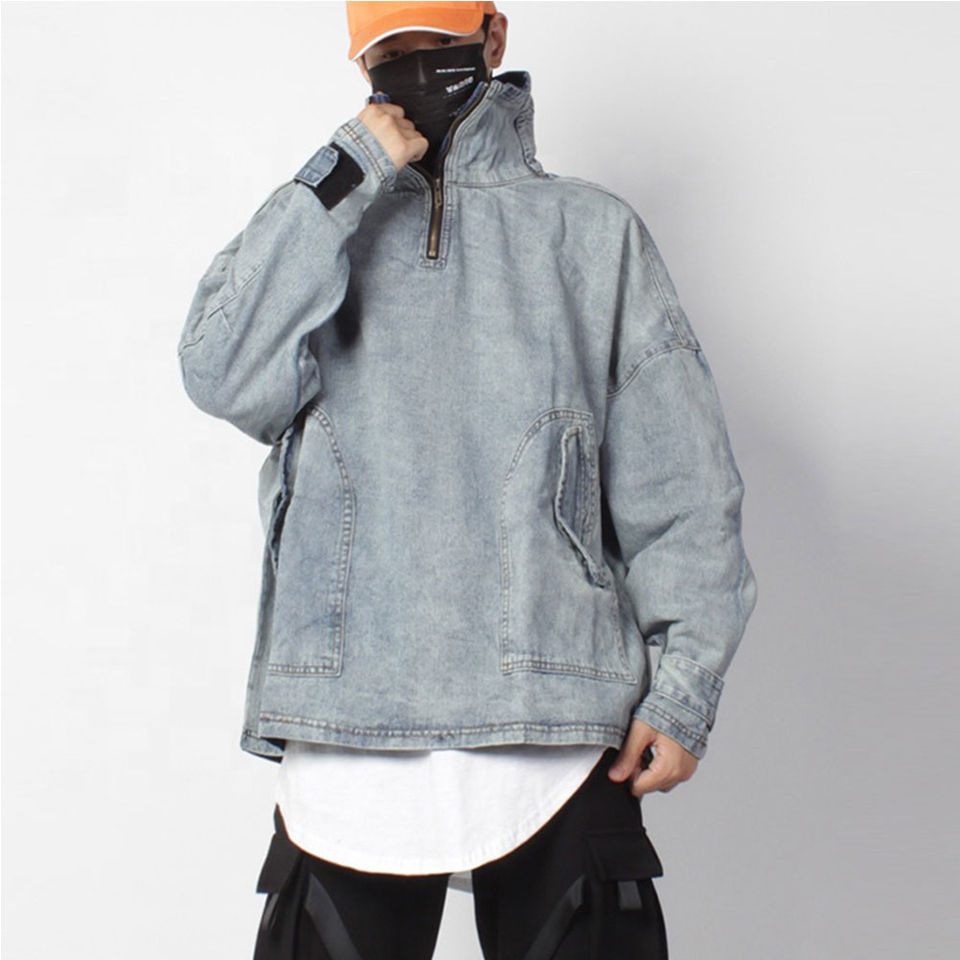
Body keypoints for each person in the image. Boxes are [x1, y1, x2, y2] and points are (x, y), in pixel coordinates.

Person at [176, 2, 758, 957]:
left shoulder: (592, 233)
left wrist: (684, 688)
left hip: (555, 712)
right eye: (390, 53)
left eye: (437, 48)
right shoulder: (322, 233)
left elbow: (682, 487)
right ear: (361, 65)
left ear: (493, 39)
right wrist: (344, 173)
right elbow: (218, 370)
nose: (414, 70)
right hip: (347, 720)